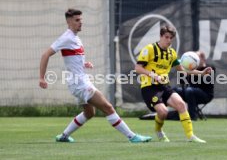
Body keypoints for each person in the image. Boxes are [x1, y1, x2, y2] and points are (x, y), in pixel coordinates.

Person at [39, 8, 152, 143]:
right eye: (77, 20)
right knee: (108, 107)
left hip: (78, 81)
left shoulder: (75, 38)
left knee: (89, 113)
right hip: (80, 83)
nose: (81, 22)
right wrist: (42, 77)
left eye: (81, 19)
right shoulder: (66, 37)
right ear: (69, 22)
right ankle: (132, 137)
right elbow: (46, 54)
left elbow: (72, 58)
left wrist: (83, 63)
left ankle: (63, 136)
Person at [135, 24, 211, 143]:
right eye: (166, 37)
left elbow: (183, 70)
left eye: (171, 38)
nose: (169, 40)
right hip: (149, 88)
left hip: (164, 86)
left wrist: (201, 73)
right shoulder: (149, 49)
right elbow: (138, 68)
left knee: (181, 104)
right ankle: (159, 131)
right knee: (163, 112)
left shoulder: (172, 53)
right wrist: (152, 75)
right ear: (161, 36)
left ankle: (191, 136)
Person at [173, 50, 215, 121]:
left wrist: (197, 72)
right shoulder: (190, 69)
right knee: (175, 90)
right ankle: (178, 114)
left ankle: (192, 117)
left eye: (195, 59)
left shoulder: (209, 68)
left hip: (205, 94)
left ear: (202, 59)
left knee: (190, 91)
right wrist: (183, 72)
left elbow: (207, 80)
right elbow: (183, 81)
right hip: (190, 92)